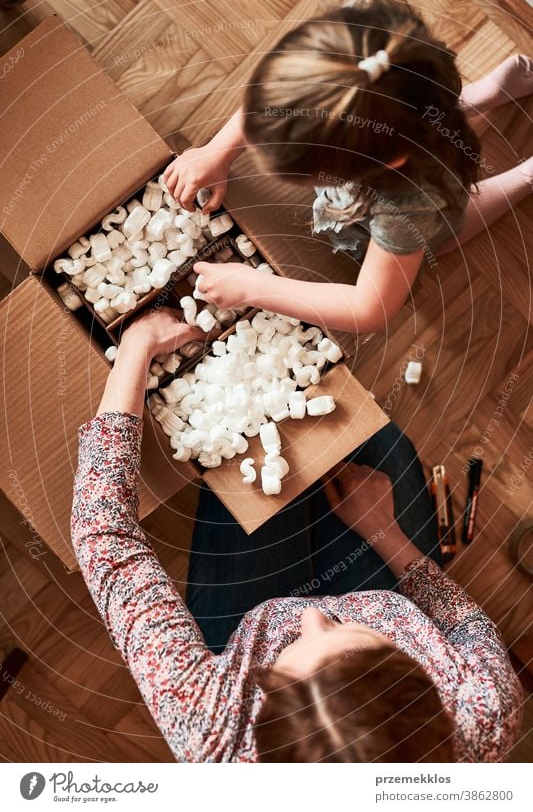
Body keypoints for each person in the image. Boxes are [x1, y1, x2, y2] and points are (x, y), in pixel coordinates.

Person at [71, 308, 523, 763]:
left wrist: (135, 345)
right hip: (382, 586)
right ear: (429, 684)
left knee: (256, 449)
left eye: (286, 669)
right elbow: (464, 626)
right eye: (354, 641)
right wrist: (386, 533)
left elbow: (105, 535)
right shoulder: (483, 714)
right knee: (376, 443)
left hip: (244, 626)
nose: (310, 619)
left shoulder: (214, 732)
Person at [162, 0, 533, 335]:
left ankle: (525, 176)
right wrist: (218, 150)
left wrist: (257, 287)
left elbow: (370, 308)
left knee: (443, 231)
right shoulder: (344, 62)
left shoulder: (407, 205)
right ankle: (484, 94)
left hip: (426, 191)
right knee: (422, 115)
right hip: (414, 117)